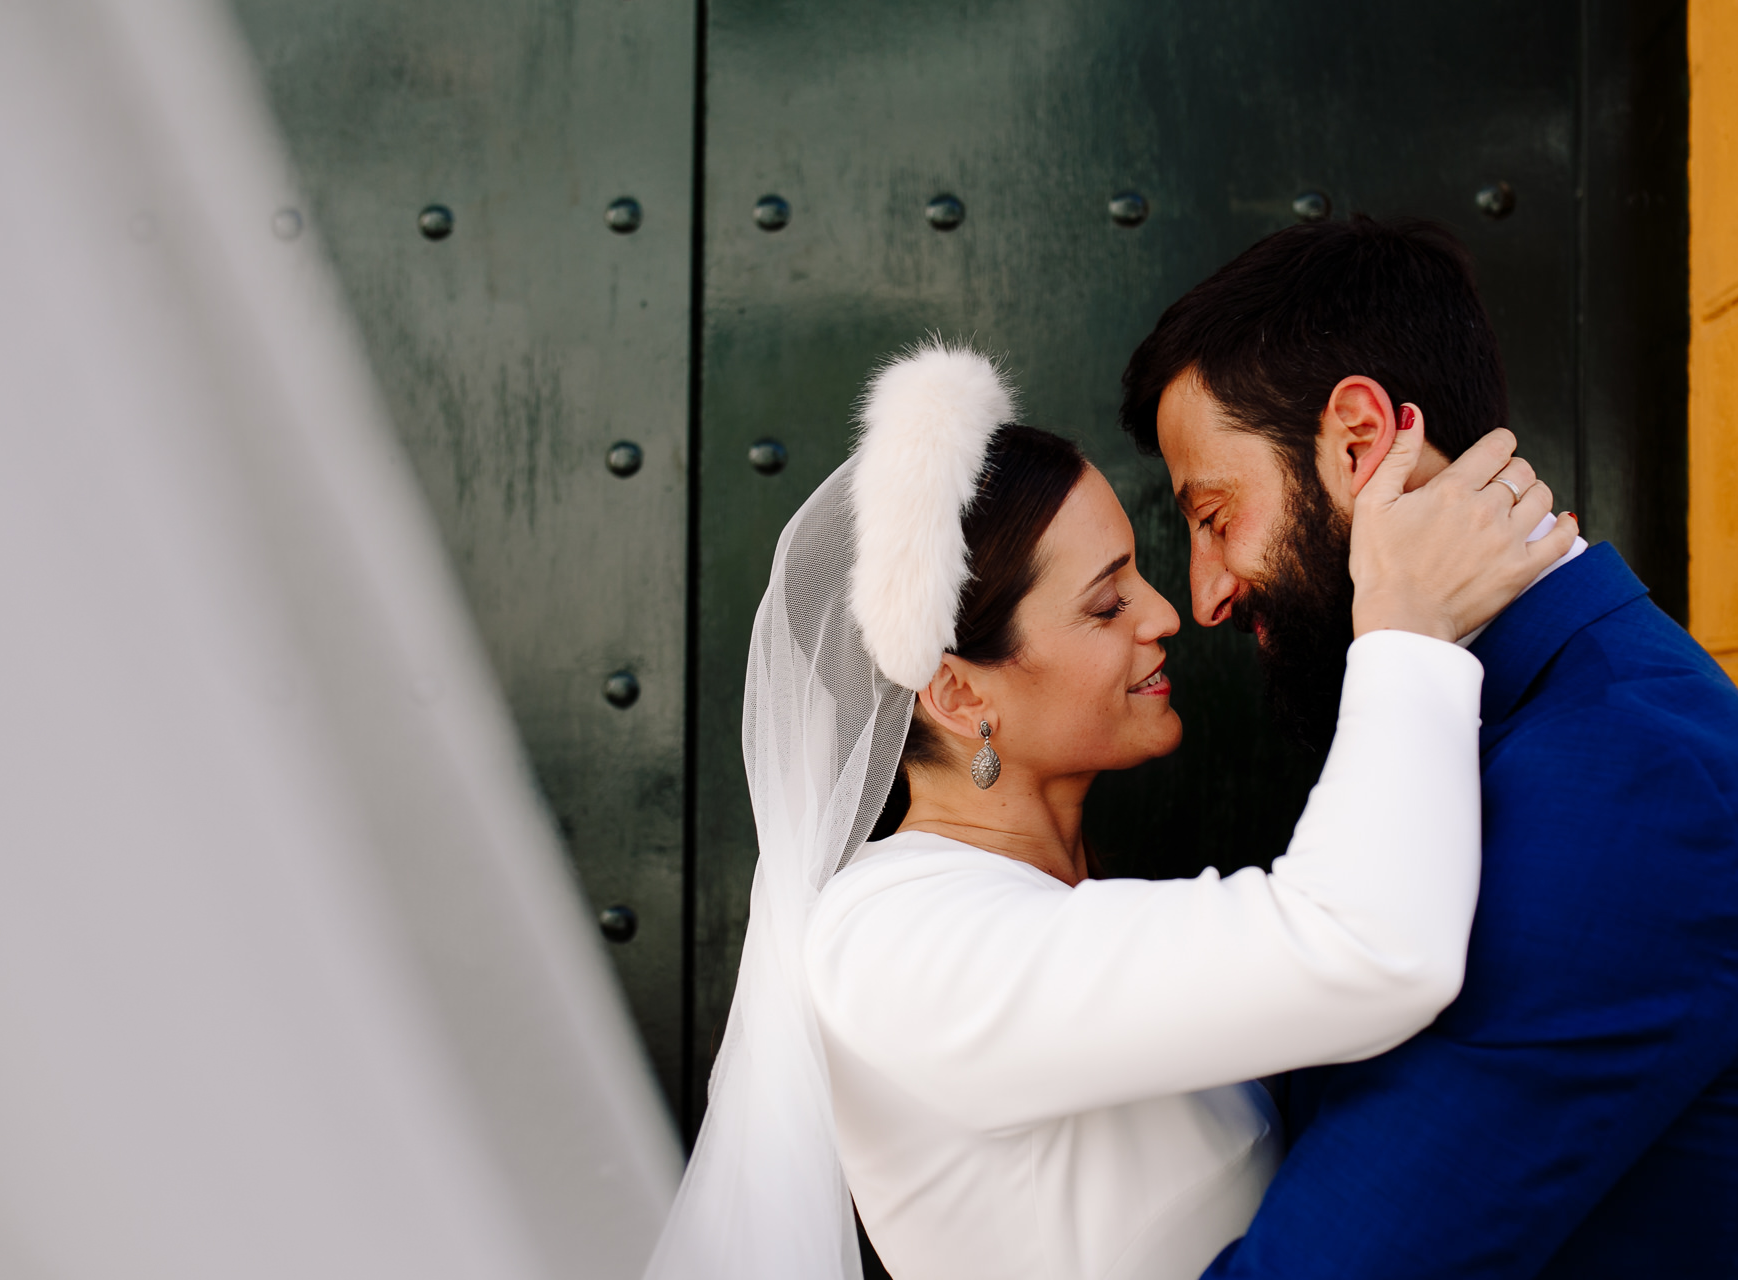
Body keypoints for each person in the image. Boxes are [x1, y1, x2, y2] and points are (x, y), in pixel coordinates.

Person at [642, 339, 1576, 1280]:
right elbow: (1366, 947)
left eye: (1137, 573)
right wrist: (1405, 620)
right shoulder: (891, 943)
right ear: (962, 696)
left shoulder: (1042, 902)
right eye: (1105, 604)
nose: (1166, 613)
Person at [1117, 216, 1738, 1279]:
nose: (1206, 592)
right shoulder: (1481, 721)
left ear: (1360, 441)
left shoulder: (1636, 796)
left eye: (1215, 514)